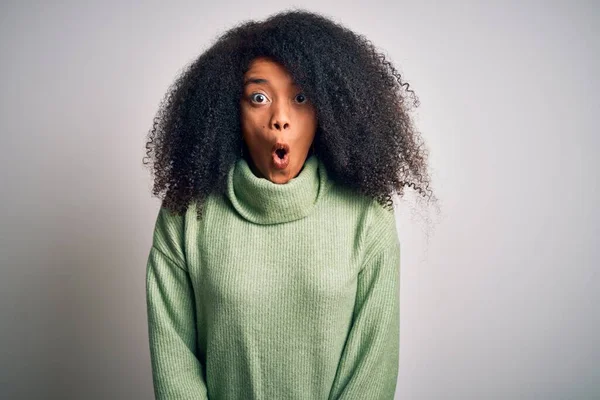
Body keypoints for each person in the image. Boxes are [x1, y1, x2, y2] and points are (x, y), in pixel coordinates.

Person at [143, 8, 435, 400]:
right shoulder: (185, 214)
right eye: (258, 97)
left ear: (328, 110)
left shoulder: (367, 214)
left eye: (300, 97)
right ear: (230, 111)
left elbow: (372, 367)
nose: (280, 118)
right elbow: (174, 361)